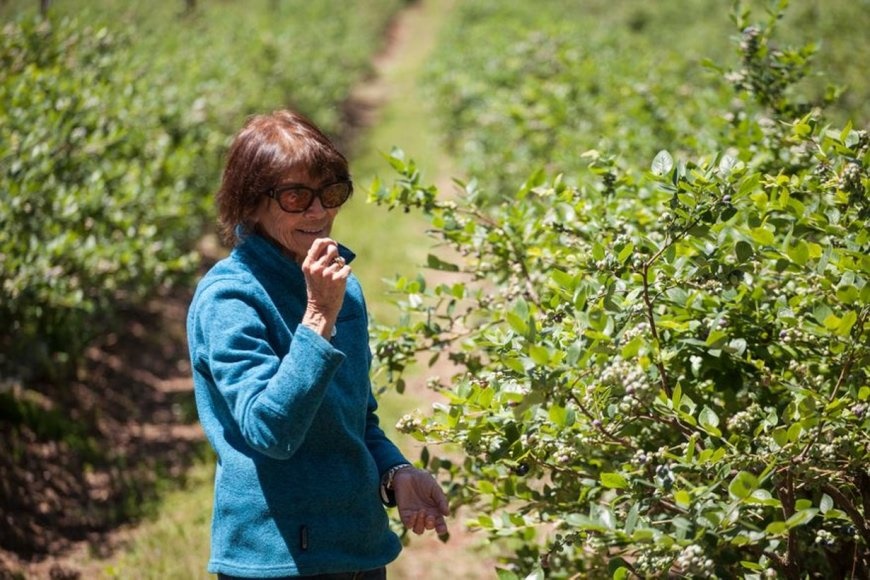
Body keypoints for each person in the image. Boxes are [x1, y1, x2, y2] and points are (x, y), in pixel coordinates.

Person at [186, 109, 449, 579]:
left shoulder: (339, 287)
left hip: (359, 550)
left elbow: (355, 419)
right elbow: (270, 431)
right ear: (250, 202)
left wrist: (395, 474)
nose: (319, 212)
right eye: (295, 196)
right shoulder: (231, 298)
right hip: (279, 561)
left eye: (331, 193)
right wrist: (317, 319)